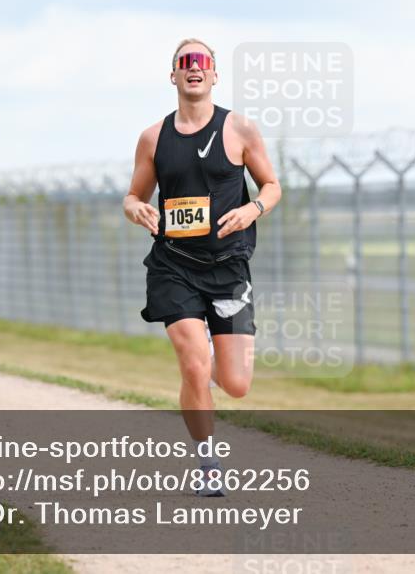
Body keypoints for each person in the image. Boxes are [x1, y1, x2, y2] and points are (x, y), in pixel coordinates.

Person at [123, 38, 281, 496]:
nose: (194, 68)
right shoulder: (153, 137)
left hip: (228, 267)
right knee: (193, 368)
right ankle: (208, 463)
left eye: (202, 62)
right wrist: (136, 210)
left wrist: (253, 210)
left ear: (214, 75)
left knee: (235, 384)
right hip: (174, 266)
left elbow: (272, 185)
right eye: (184, 63)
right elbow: (133, 195)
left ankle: (213, 358)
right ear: (173, 76)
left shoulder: (241, 130)